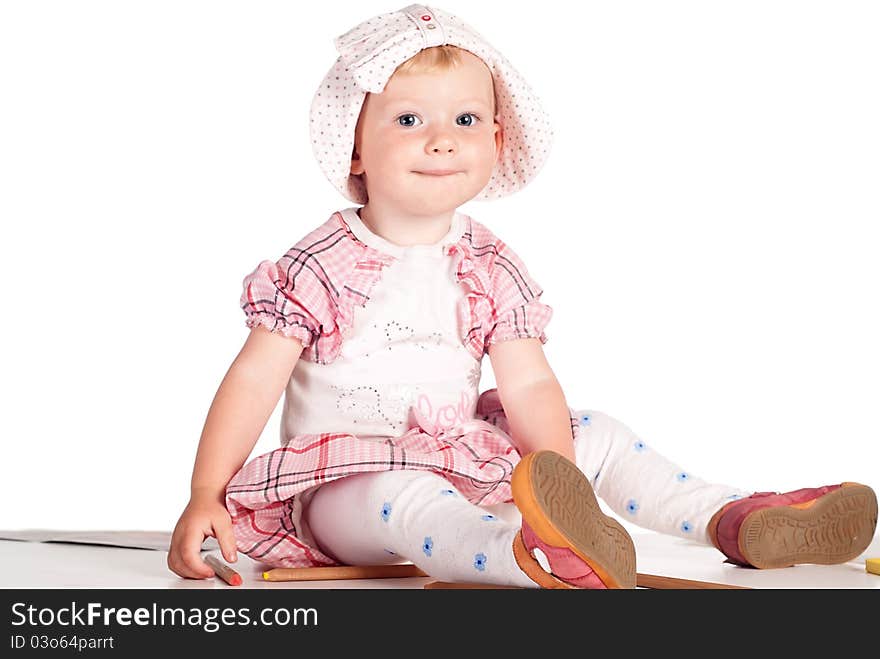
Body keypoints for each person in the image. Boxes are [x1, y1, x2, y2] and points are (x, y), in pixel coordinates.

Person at [167, 4, 877, 588]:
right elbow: (254, 379)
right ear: (354, 147)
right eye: (409, 120)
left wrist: (555, 471)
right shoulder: (318, 265)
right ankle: (525, 556)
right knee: (405, 497)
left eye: (466, 121)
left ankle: (729, 516)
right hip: (349, 486)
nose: (442, 141)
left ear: (496, 141)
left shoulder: (488, 262)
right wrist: (206, 493)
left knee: (594, 429)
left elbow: (529, 377)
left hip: (459, 457)